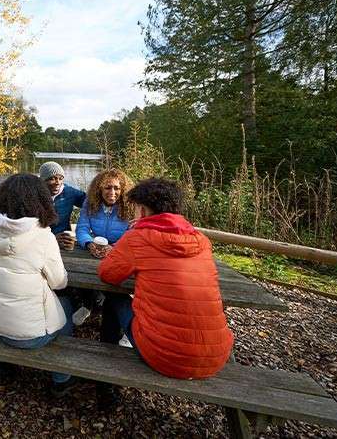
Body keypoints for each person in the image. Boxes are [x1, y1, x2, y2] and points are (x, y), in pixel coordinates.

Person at [97, 178, 233, 394]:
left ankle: (104, 378)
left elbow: (107, 274)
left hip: (165, 356)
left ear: (142, 211)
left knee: (113, 297)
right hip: (216, 356)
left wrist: (126, 246)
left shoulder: (136, 238)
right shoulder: (201, 241)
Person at [0, 173, 77, 394]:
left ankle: (4, 366)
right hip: (30, 338)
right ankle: (62, 378)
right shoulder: (43, 236)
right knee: (67, 306)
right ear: (40, 200)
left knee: (9, 299)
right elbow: (59, 283)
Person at [76, 169, 133, 259]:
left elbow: (132, 234)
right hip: (97, 250)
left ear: (122, 190)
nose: (112, 192)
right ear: (99, 189)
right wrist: (89, 243)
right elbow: (82, 228)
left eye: (117, 188)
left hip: (122, 253)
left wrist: (114, 247)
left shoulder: (130, 206)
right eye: (107, 188)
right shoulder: (90, 203)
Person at [38, 161, 85, 250]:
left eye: (61, 178)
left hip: (65, 242)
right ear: (42, 180)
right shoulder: (32, 195)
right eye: (52, 178)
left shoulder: (69, 192)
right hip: (41, 243)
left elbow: (91, 203)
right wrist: (52, 239)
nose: (58, 182)